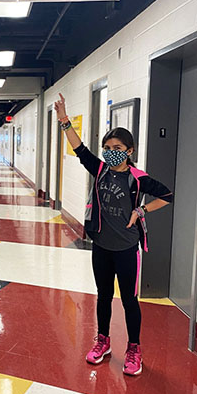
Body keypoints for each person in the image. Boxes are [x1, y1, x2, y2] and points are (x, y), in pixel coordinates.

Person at [54, 93, 173, 376]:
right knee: (103, 295)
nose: (110, 152)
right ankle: (103, 341)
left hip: (127, 249)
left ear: (129, 150)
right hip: (102, 246)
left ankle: (134, 349)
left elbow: (167, 195)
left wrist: (141, 210)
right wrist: (64, 121)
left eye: (117, 147)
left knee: (130, 301)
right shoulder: (101, 170)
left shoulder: (137, 177)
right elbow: (80, 149)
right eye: (107, 147)